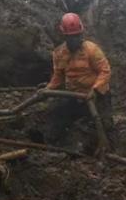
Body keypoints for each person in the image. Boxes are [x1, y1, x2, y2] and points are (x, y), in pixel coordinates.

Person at [45, 13, 114, 148]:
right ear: (64, 35)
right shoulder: (59, 53)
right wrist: (48, 90)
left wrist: (95, 90)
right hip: (75, 96)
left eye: (77, 36)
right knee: (57, 115)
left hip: (98, 96)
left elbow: (105, 71)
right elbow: (58, 77)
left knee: (105, 126)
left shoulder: (92, 50)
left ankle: (108, 146)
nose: (74, 39)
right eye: (71, 37)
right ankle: (52, 144)